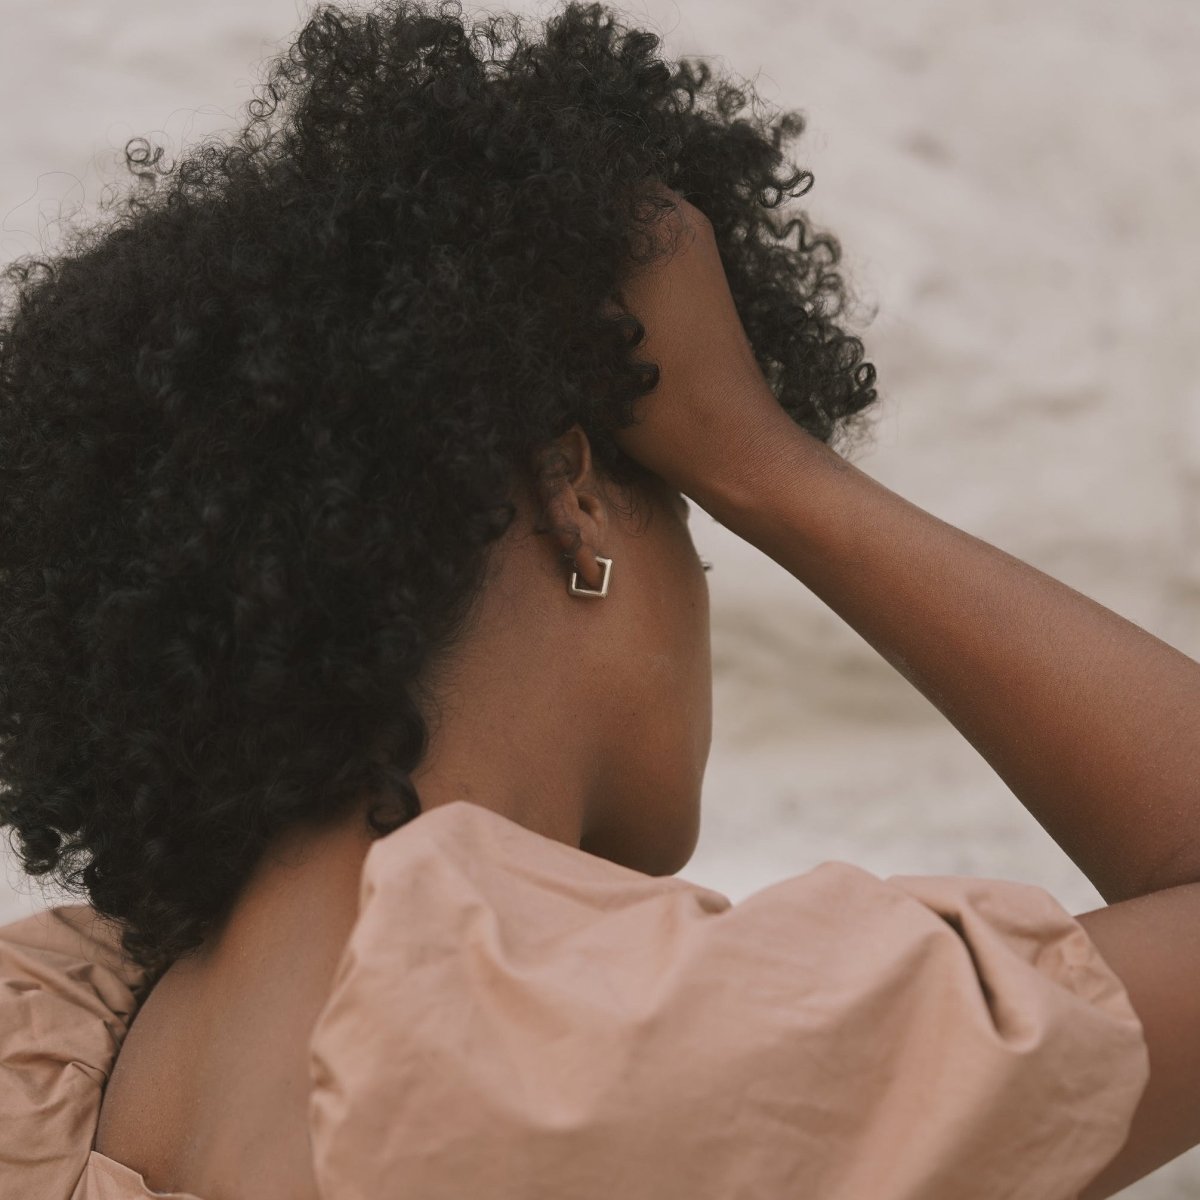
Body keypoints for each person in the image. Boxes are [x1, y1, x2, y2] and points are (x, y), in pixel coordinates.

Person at [0, 1, 1195, 1197]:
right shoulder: (621, 1057)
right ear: (574, 498)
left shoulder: (41, 1049)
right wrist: (761, 463)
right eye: (690, 522)